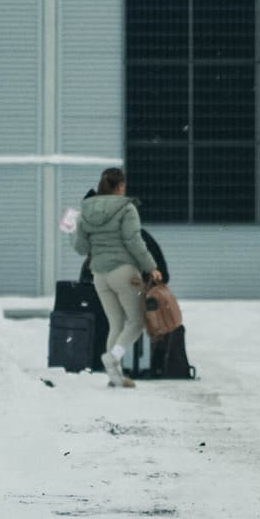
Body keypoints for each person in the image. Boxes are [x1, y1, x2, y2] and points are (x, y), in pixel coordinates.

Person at [70, 166, 162, 387]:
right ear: (120, 186)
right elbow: (134, 242)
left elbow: (80, 248)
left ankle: (116, 377)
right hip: (125, 273)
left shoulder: (85, 211)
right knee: (136, 322)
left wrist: (77, 234)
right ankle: (112, 358)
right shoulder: (126, 208)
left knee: (116, 324)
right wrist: (151, 267)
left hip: (100, 275)